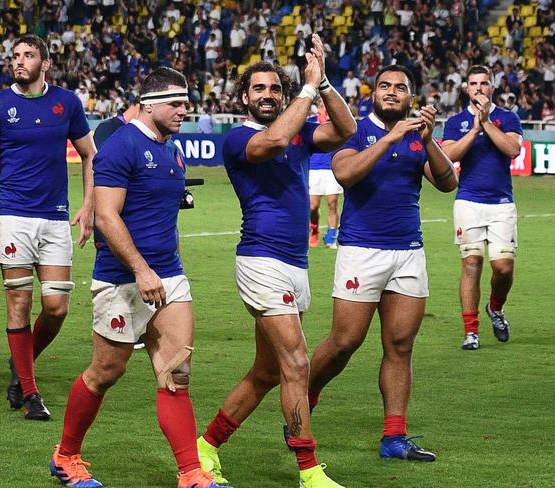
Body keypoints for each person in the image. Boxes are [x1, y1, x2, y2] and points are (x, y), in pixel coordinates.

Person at [196, 34, 356, 488]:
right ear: (244, 98)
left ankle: (206, 447)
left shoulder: (301, 130)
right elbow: (277, 138)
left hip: (295, 265)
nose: (267, 95)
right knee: (297, 362)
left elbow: (345, 130)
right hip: (260, 261)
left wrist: (322, 83)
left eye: (273, 89)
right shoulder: (238, 140)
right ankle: (309, 470)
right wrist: (305, 91)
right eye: (258, 89)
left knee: (267, 371)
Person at [49, 67, 221, 488]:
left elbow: (165, 218)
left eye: (186, 102)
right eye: (176, 103)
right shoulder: (120, 147)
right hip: (121, 279)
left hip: (170, 277)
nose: (185, 110)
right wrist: (141, 269)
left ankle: (191, 473)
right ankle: (66, 455)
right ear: (148, 104)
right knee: (106, 371)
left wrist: (169, 264)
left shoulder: (173, 151)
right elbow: (105, 215)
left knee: (176, 374)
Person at [306, 65, 458, 462]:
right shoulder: (353, 129)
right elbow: (345, 174)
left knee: (400, 345)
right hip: (362, 250)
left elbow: (447, 183)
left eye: (400, 88)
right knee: (345, 342)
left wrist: (428, 141)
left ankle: (394, 437)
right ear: (373, 93)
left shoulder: (416, 136)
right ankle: (304, 394)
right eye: (384, 86)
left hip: (409, 251)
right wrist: (389, 138)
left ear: (411, 97)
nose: (391, 92)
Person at [0, 34, 97, 420]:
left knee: (56, 307)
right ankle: (29, 392)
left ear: (45, 63)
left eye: (28, 55)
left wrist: (89, 205)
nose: (19, 61)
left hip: (56, 216)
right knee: (19, 303)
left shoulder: (67, 103)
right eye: (16, 55)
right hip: (12, 216)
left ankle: (19, 361)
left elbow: (91, 155)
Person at [441, 65, 522, 351]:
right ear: (466, 88)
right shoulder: (455, 122)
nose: (478, 88)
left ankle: (496, 308)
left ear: (492, 87)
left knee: (503, 268)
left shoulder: (507, 117)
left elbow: (513, 150)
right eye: (473, 83)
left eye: (484, 83)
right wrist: (474, 128)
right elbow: (447, 155)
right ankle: (471, 331)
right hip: (468, 202)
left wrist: (485, 122)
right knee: (471, 264)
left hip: (501, 203)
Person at [92, 98, 147, 351]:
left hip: (136, 215)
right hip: (112, 213)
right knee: (117, 269)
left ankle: (141, 327)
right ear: (136, 106)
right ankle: (115, 328)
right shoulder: (108, 129)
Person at [308, 98, 343, 249]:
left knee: (332, 203)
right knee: (313, 206)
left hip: (332, 167)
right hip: (314, 168)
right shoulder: (310, 121)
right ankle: (314, 230)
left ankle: (331, 237)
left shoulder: (337, 121)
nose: (324, 107)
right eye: (322, 104)